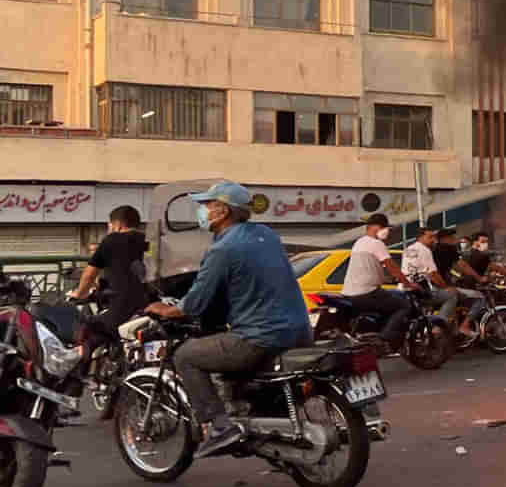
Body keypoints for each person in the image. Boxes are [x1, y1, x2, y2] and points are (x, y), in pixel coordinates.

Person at [145, 182, 310, 459]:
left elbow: (195, 303)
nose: (203, 212)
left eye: (207, 206)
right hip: (300, 330)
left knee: (186, 356)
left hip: (260, 337)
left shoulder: (223, 249)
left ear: (222, 212)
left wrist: (166, 309)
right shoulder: (267, 235)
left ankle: (220, 427)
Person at [68, 205, 150, 375]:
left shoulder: (111, 240)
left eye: (110, 226)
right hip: (148, 303)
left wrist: (79, 293)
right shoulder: (147, 240)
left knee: (88, 328)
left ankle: (84, 377)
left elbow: (89, 274)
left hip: (121, 308)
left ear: (117, 225)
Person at [341, 214, 422, 354]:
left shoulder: (359, 242)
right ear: (376, 227)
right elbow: (392, 267)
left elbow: (368, 268)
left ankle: (377, 331)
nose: (387, 231)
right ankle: (384, 339)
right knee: (403, 305)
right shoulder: (376, 244)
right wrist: (408, 284)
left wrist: (387, 279)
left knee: (390, 297)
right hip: (367, 292)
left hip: (349, 293)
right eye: (385, 228)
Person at [451, 231, 506, 337]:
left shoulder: (466, 253)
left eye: (486, 241)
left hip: (460, 285)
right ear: (475, 242)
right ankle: (467, 325)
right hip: (470, 287)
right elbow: (493, 267)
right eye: (483, 241)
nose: (485, 244)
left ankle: (478, 327)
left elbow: (486, 269)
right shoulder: (480, 255)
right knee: (486, 299)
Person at [401, 228, 458, 320]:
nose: (433, 240)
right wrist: (446, 287)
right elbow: (433, 274)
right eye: (430, 237)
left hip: (405, 289)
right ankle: (439, 324)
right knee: (451, 297)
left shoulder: (408, 249)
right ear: (420, 237)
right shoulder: (425, 250)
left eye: (434, 237)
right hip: (420, 290)